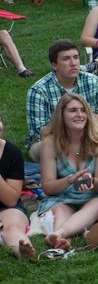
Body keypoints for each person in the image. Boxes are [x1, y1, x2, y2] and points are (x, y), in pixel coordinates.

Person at [37, 93, 98, 251]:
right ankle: (62, 243)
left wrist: (91, 182)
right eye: (73, 110)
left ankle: (60, 234)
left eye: (83, 110)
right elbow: (47, 187)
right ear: (61, 115)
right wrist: (70, 180)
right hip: (62, 196)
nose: (80, 115)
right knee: (60, 210)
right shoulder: (50, 143)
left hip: (96, 196)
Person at [26, 39, 98, 162]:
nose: (73, 63)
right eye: (66, 59)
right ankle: (89, 157)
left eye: (76, 57)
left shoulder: (91, 81)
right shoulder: (39, 90)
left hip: (89, 136)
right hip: (59, 139)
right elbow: (41, 133)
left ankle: (77, 159)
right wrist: (69, 119)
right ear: (54, 65)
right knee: (43, 147)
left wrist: (88, 116)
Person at [0, 110, 35, 259]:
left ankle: (21, 250)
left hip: (6, 206)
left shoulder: (12, 151)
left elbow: (11, 199)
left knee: (13, 227)